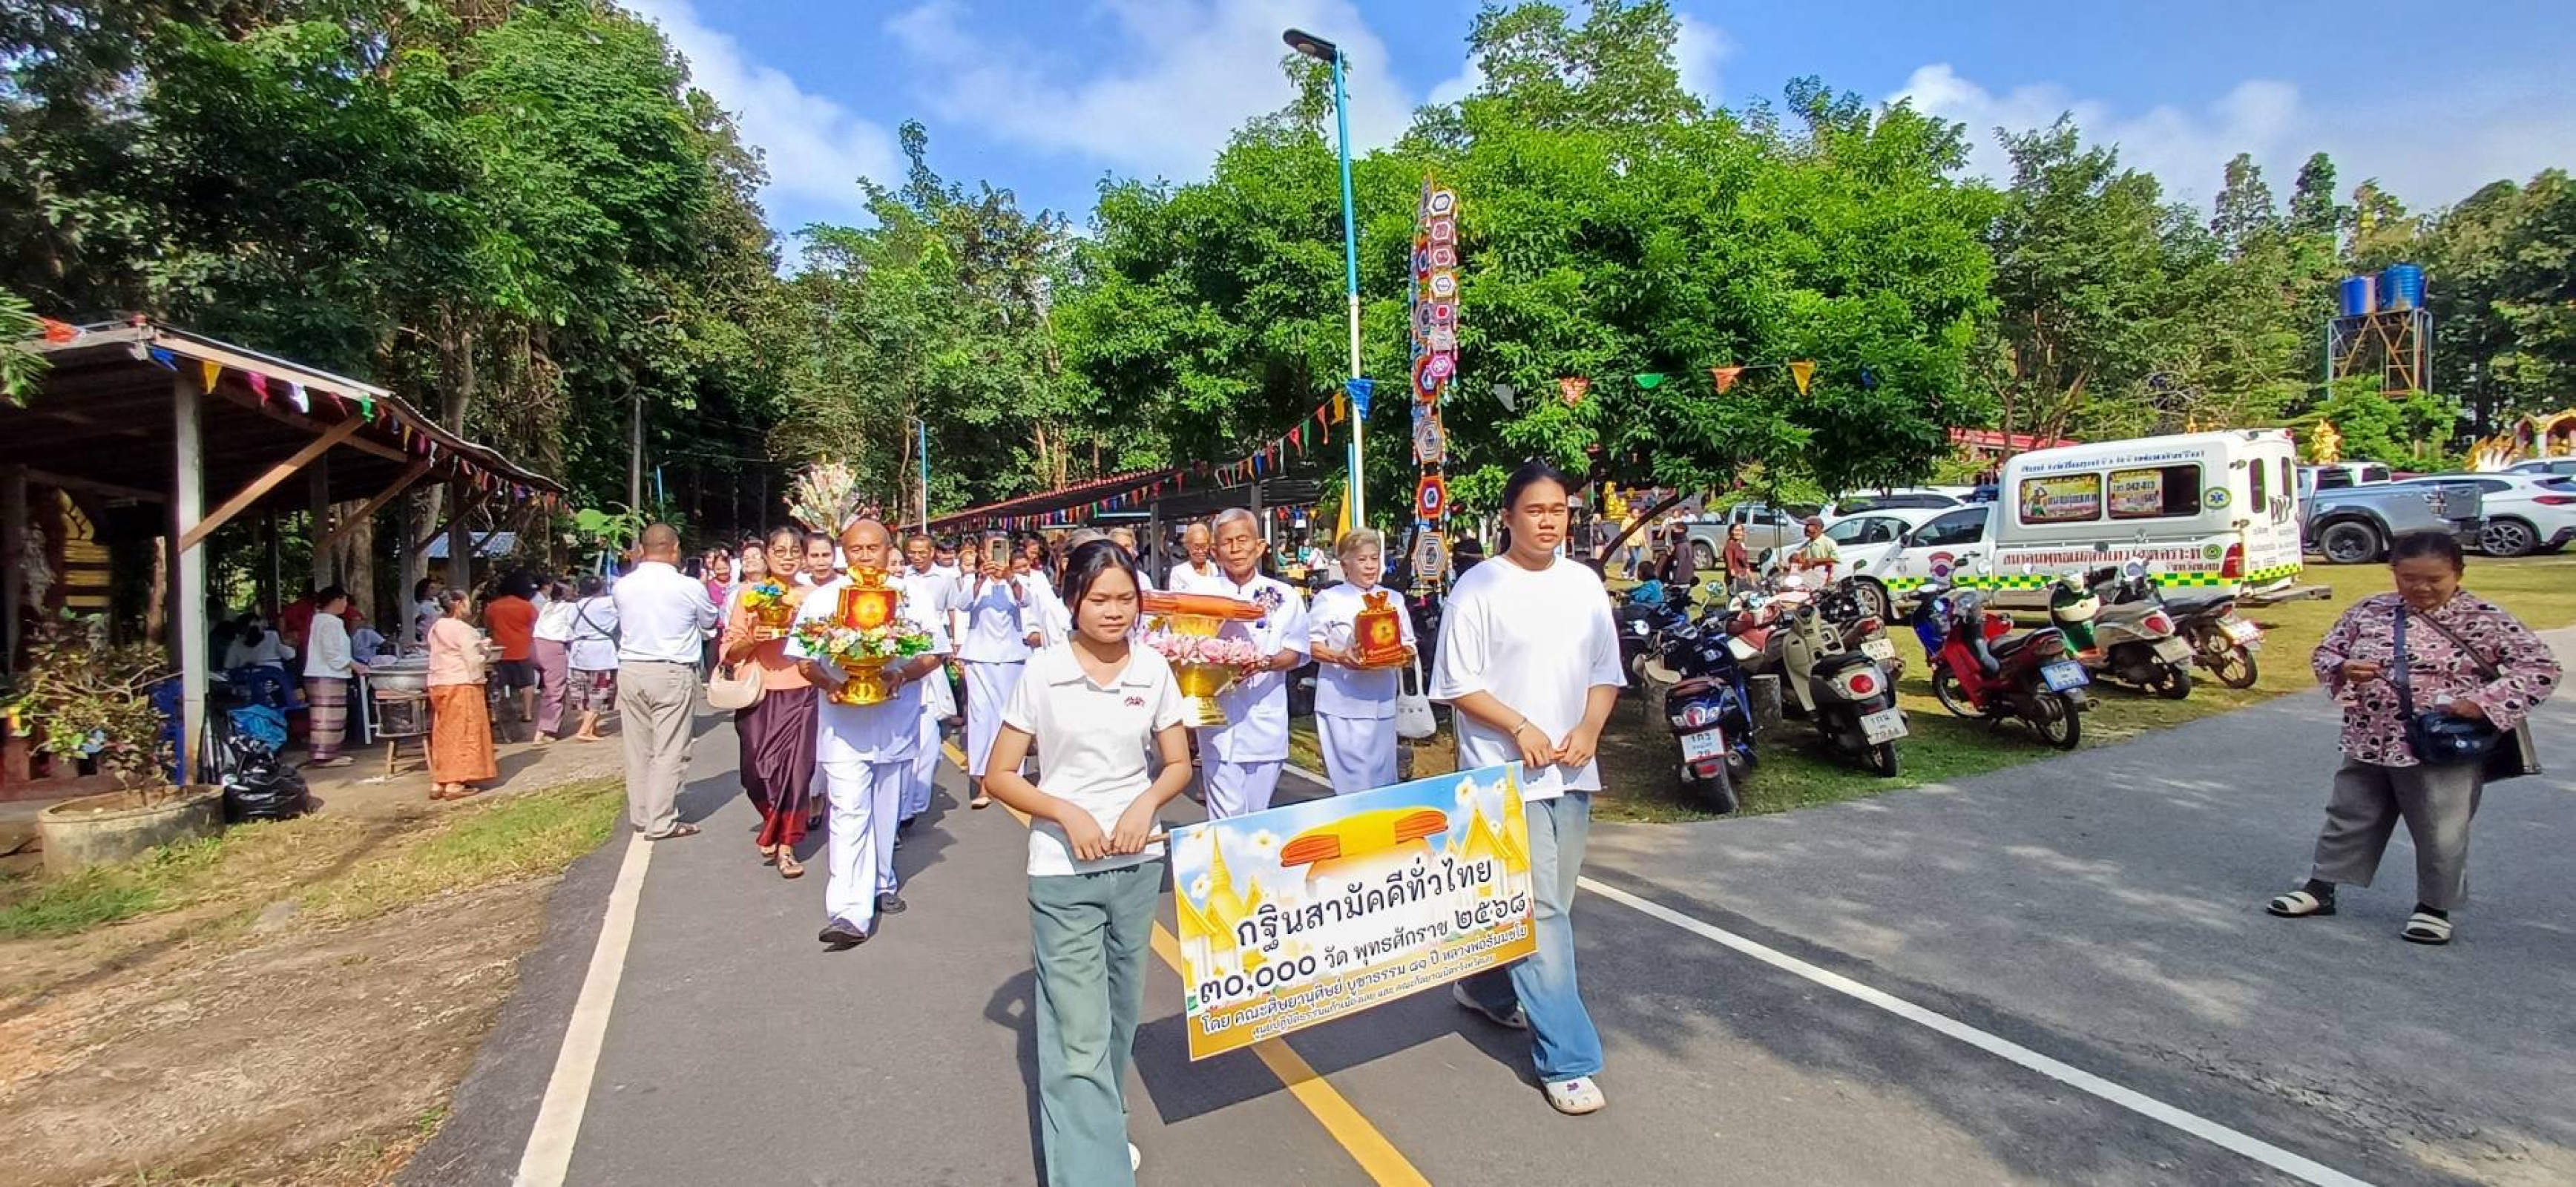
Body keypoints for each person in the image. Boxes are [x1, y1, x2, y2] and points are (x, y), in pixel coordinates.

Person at [979, 539, 1192, 1186]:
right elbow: (999, 774)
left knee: (1116, 1019)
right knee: (1076, 1035)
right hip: (1063, 873)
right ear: (1073, 598)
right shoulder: (1043, 672)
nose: (1114, 612)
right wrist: (1065, 813)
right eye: (1100, 599)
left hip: (1135, 867)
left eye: (1126, 599)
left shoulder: (1153, 669)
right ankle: (1096, 1174)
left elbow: (1179, 763)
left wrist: (1145, 804)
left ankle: (1100, 1128)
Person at [1430, 458, 1623, 1116]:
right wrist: (1518, 726)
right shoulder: (1479, 587)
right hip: (1502, 775)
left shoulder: (1584, 584)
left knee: (1549, 904)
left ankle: (1485, 988)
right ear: (1507, 517)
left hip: (1571, 770)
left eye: (1559, 510)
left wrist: (1591, 728)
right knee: (1541, 910)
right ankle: (1568, 1060)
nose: (1548, 522)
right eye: (1535, 510)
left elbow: (1605, 669)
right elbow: (1457, 684)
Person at [2267, 532, 2560, 945]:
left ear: (2458, 573)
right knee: (2350, 813)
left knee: (2441, 828)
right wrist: (2344, 667)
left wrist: (2481, 702)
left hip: (2440, 745)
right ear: (2394, 574)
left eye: (2434, 579)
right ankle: (2321, 888)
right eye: (2408, 578)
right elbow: (2326, 652)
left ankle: (2433, 907)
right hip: (2370, 737)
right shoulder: (2370, 610)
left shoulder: (2484, 617)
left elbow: (2540, 668)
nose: (2421, 588)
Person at [792, 520, 951, 947]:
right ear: (845, 553)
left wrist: (901, 673)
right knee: (847, 813)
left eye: (873, 548)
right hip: (843, 725)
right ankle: (848, 912)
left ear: (887, 550)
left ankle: (881, 882)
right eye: (856, 549)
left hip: (896, 719)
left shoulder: (911, 595)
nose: (865, 556)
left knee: (885, 810)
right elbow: (803, 660)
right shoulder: (825, 599)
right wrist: (831, 684)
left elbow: (936, 652)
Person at [1195, 507, 1311, 819]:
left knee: (1257, 816)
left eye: (1243, 540)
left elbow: (1298, 651)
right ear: (1215, 551)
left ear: (1260, 546)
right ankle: (1228, 867)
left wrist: (1266, 663)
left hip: (1265, 722)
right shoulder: (1200, 595)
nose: (1235, 549)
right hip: (1217, 724)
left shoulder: (1285, 596)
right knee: (1226, 817)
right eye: (1227, 542)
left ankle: (1253, 868)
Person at [723, 526, 820, 877]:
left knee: (796, 772)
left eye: (795, 550)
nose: (788, 556)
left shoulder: (813, 596)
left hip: (802, 689)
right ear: (766, 554)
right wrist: (754, 638)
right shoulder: (748, 594)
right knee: (756, 771)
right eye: (780, 550)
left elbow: (826, 644)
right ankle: (772, 820)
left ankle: (786, 845)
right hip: (759, 691)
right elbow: (730, 650)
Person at [614, 525, 719, 841]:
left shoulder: (623, 586)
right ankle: (661, 820)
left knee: (638, 748)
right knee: (670, 748)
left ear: (642, 550)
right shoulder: (688, 587)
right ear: (674, 549)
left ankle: (643, 814)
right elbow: (709, 621)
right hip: (671, 670)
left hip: (631, 668)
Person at [1307, 530, 1416, 795]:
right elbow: (1311, 646)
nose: (1369, 566)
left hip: (1382, 701)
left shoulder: (1393, 599)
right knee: (1354, 783)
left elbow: (1409, 643)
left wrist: (1399, 654)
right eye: (1362, 559)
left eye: (1374, 559)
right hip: (1342, 702)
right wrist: (1340, 657)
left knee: (1383, 781)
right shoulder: (1329, 599)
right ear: (1344, 564)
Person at [960, 531, 1043, 809]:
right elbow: (961, 604)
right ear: (982, 553)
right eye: (990, 551)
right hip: (979, 657)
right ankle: (984, 781)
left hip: (1012, 657)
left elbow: (1027, 602)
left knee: (1010, 718)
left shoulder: (1018, 581)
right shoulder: (972, 580)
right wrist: (980, 578)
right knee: (982, 718)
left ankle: (1010, 779)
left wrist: (1008, 577)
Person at [893, 531, 961, 829]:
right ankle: (897, 814)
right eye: (895, 561)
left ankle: (911, 805)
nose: (901, 566)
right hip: (892, 670)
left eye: (922, 552)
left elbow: (952, 610)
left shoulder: (943, 579)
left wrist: (952, 644)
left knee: (928, 746)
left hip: (927, 659)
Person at [426, 588, 498, 801]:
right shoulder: (463, 629)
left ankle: (440, 780)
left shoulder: (437, 627)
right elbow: (473, 659)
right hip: (461, 682)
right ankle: (455, 783)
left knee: (443, 731)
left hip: (439, 683)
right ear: (458, 604)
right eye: (467, 602)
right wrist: (484, 650)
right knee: (464, 731)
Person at [300, 586, 369, 767]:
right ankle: (325, 756)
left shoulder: (322, 620)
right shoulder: (329, 622)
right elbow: (331, 653)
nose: (346, 605)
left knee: (328, 716)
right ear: (337, 601)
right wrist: (354, 665)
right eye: (345, 601)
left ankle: (326, 753)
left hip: (325, 673)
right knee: (328, 717)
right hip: (327, 674)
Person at [483, 571, 539, 737]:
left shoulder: (493, 607)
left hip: (500, 651)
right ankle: (527, 712)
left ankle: (496, 714)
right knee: (527, 682)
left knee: (499, 684)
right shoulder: (528, 607)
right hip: (523, 649)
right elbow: (535, 625)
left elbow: (489, 626)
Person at [565, 576, 619, 743]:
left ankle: (591, 728)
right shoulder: (607, 604)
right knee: (600, 692)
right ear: (601, 590)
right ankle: (584, 730)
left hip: (579, 652)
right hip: (601, 653)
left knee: (582, 694)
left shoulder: (574, 607)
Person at [530, 579, 578, 743]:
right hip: (553, 648)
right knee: (555, 689)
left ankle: (546, 726)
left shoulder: (548, 607)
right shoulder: (571, 608)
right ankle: (545, 730)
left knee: (548, 688)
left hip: (535, 646)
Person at [1167, 522, 1221, 593]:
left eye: (1204, 546)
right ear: (1187, 546)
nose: (1200, 551)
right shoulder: (1179, 572)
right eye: (1196, 547)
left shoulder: (1215, 569)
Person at [1788, 516, 1839, 582]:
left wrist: (1815, 561)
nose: (1805, 528)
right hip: (1806, 581)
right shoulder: (1810, 542)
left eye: (1808, 526)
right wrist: (1795, 558)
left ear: (1817, 528)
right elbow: (1802, 560)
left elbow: (1835, 560)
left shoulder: (1828, 543)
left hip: (1820, 582)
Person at [1723, 523, 1757, 594]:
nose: (1738, 532)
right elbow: (1730, 563)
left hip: (1744, 577)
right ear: (1731, 532)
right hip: (1735, 579)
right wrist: (1735, 574)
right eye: (1736, 530)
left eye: (1740, 530)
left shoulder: (1741, 545)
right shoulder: (1730, 546)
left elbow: (1745, 563)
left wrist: (1751, 577)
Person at [413, 576, 444, 648]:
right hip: (425, 637)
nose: (434, 591)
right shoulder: (420, 606)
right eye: (431, 588)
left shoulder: (436, 603)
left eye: (434, 588)